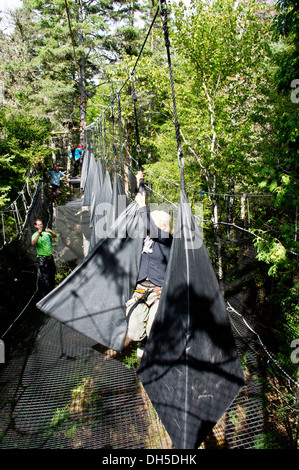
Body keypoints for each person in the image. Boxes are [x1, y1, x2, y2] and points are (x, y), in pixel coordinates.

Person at [125, 171, 173, 358]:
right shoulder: (146, 238)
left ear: (161, 226)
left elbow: (147, 223)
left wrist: (143, 207)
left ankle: (156, 349)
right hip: (140, 290)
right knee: (135, 332)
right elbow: (142, 217)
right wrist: (140, 182)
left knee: (155, 329)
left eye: (154, 222)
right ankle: (143, 341)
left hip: (158, 292)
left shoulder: (168, 239)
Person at [31, 218, 57, 295]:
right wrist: (39, 234)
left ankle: (52, 288)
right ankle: (45, 293)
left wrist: (50, 231)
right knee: (44, 275)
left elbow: (55, 236)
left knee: (52, 271)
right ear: (35, 226)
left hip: (49, 256)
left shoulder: (46, 233)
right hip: (42, 258)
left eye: (41, 224)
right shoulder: (35, 235)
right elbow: (33, 243)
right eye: (38, 225)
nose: (40, 226)